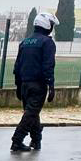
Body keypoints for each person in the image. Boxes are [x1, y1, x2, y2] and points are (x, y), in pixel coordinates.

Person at [11, 12, 59, 152]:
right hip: (38, 84)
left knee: (32, 113)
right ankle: (17, 140)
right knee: (31, 114)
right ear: (47, 25)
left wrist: (18, 86)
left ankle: (36, 140)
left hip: (24, 84)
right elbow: (48, 66)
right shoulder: (47, 43)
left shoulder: (24, 42)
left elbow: (17, 66)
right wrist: (51, 86)